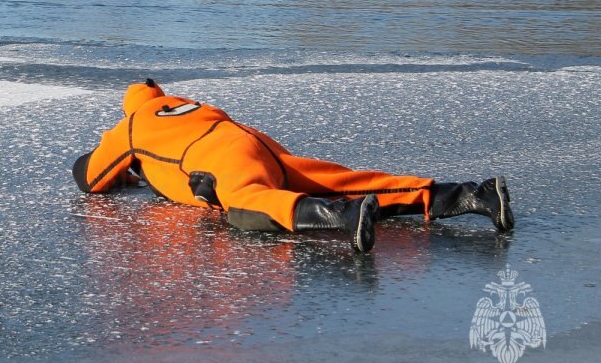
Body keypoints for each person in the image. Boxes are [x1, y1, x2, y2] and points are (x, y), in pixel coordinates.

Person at [72, 79, 513, 253]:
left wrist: (120, 166)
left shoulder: (129, 125)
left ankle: (344, 218)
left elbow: (91, 178)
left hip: (218, 161)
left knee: (247, 205)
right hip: (256, 144)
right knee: (349, 180)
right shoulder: (187, 103)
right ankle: (475, 194)